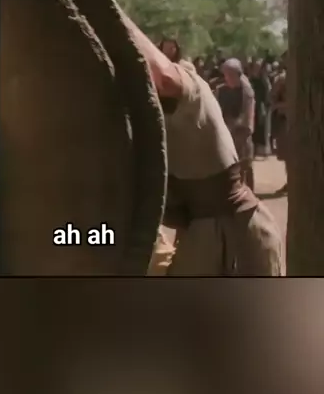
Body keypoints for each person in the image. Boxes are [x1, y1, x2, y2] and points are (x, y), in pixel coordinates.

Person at [121, 18, 283, 276]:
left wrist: (107, 17)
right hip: (201, 234)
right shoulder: (152, 123)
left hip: (238, 233)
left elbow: (164, 77)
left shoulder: (193, 93)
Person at [216, 59, 256, 192]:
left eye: (230, 74)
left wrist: (239, 126)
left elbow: (248, 114)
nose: (227, 77)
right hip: (225, 133)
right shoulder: (220, 90)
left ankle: (249, 192)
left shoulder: (246, 92)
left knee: (245, 165)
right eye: (226, 74)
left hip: (241, 133)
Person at [270, 52, 288, 194]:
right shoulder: (281, 79)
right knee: (288, 155)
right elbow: (272, 99)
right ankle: (291, 181)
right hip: (286, 120)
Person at [248, 59, 272, 157]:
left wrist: (264, 106)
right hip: (252, 106)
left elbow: (267, 94)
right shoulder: (250, 80)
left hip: (261, 106)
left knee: (261, 127)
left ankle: (260, 149)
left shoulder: (264, 81)